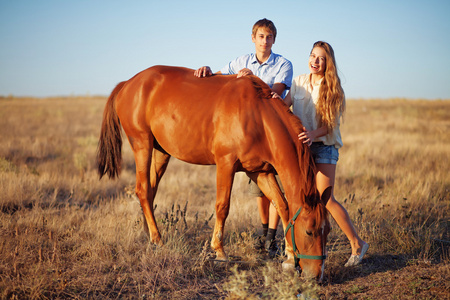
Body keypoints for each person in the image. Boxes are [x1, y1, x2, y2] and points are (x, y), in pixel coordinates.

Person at [194, 18, 293, 257]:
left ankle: (273, 238)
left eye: (269, 37)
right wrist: (208, 71)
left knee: (274, 185)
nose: (265, 41)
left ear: (274, 40)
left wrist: (251, 80)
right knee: (259, 191)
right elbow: (220, 78)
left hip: (269, 134)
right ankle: (264, 236)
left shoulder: (283, 64)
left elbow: (274, 95)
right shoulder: (241, 61)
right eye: (261, 36)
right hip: (244, 134)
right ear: (253, 38)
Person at [274, 41, 368, 266]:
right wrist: (270, 99)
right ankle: (294, 252)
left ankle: (357, 244)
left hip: (324, 145)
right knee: (298, 200)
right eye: (312, 56)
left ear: (328, 63)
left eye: (321, 58)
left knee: (325, 199)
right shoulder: (298, 82)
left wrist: (311, 135)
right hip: (301, 148)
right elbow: (284, 105)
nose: (315, 61)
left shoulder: (332, 88)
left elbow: (330, 126)